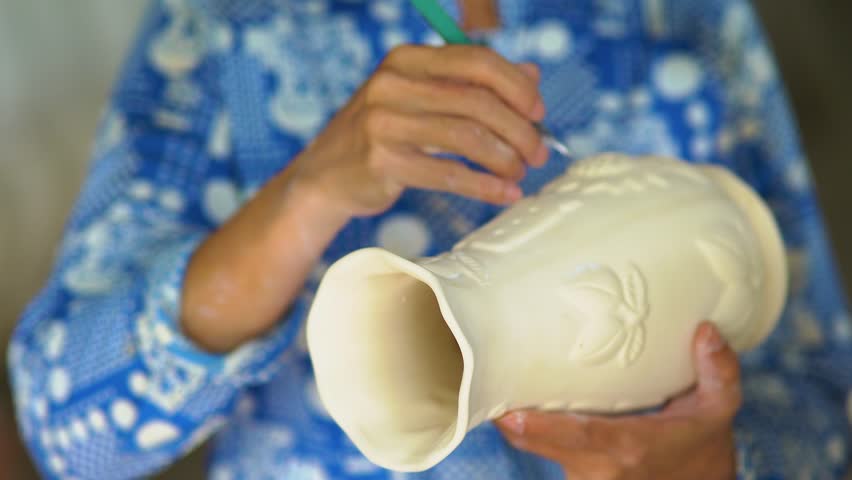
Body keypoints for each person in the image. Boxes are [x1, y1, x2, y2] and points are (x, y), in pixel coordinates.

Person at [8, 0, 852, 478]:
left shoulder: (681, 19)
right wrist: (306, 192)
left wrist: (717, 464)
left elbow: (825, 409)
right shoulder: (234, 27)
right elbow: (70, 436)